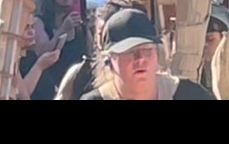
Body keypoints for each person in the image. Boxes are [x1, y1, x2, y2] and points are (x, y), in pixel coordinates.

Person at [80, 6, 216, 100]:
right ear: (109, 60)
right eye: (130, 51)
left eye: (147, 50)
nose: (140, 59)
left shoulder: (188, 94)